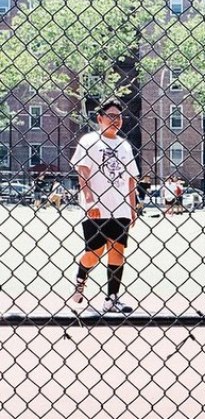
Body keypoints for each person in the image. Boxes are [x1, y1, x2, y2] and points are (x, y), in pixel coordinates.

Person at [67, 98, 139, 314]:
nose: (115, 120)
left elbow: (130, 179)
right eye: (111, 116)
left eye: (119, 116)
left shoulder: (125, 145)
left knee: (118, 251)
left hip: (121, 207)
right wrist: (88, 199)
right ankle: (80, 277)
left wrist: (133, 207)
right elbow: (83, 171)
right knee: (94, 252)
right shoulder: (89, 141)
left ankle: (112, 298)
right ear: (100, 118)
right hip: (97, 207)